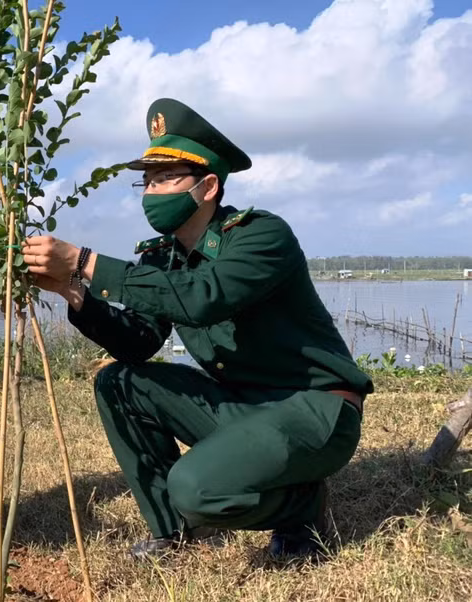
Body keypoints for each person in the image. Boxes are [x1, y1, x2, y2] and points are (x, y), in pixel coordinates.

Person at [21, 99, 373, 561]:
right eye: (146, 179)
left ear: (208, 185)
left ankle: (301, 506)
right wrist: (76, 293)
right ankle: (171, 532)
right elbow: (140, 341)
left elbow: (204, 296)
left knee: (195, 488)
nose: (152, 189)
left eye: (166, 177)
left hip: (314, 408)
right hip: (241, 406)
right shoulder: (161, 256)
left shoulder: (260, 236)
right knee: (119, 382)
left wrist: (86, 262)